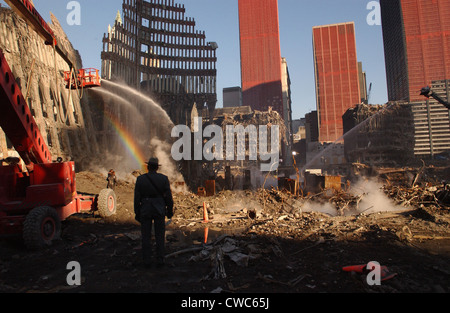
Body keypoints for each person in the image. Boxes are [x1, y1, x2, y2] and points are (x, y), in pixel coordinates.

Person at [134, 157, 174, 268]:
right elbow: (169, 198)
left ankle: (147, 260)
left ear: (148, 167)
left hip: (145, 209)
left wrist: (137, 212)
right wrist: (169, 211)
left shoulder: (140, 179)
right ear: (157, 168)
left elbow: (137, 198)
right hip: (159, 209)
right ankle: (160, 259)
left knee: (145, 236)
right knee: (160, 236)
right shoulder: (163, 179)